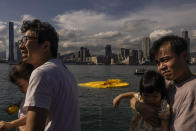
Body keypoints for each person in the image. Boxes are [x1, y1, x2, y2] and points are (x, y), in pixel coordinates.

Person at [19, 19, 80, 131]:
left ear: (46, 46)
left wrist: (17, 125)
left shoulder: (41, 73)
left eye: (26, 39)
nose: (20, 46)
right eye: (21, 40)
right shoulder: (65, 71)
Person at [132, 35, 196, 131]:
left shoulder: (193, 89)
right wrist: (141, 107)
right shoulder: (167, 82)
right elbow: (135, 97)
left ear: (185, 56)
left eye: (165, 60)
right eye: (158, 62)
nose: (161, 67)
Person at [0, 62, 34, 131]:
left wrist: (11, 124)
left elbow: (33, 116)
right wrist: (17, 106)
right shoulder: (28, 95)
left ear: (32, 80)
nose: (20, 89)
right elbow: (25, 102)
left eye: (21, 86)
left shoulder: (36, 97)